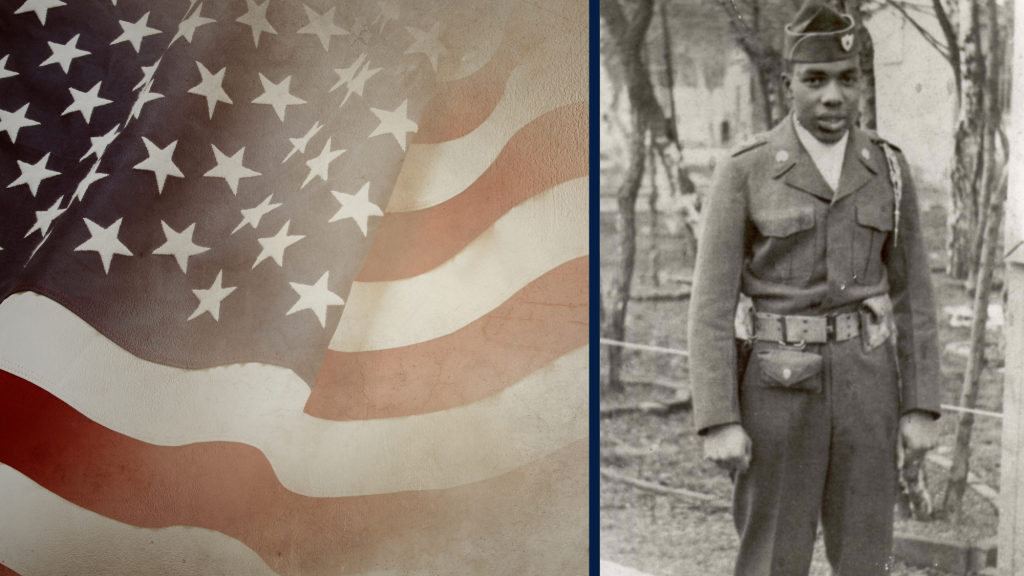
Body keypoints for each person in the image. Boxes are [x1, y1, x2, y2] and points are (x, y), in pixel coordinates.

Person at [687, 2, 941, 575]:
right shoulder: (746, 170)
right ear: (788, 85)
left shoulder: (888, 168)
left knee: (864, 557)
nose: (833, 96)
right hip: (777, 391)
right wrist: (719, 418)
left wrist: (921, 405)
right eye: (816, 79)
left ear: (861, 86)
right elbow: (709, 307)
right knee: (774, 556)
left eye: (847, 79)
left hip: (867, 390)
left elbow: (916, 296)